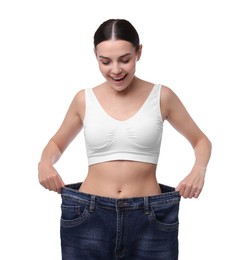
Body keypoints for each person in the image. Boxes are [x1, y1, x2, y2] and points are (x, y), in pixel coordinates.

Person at [38, 18, 212, 260]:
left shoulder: (162, 96)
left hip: (150, 218)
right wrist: (45, 163)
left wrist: (198, 170)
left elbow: (201, 140)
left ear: (139, 52)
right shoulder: (84, 99)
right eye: (105, 61)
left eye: (125, 59)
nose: (116, 70)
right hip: (88, 215)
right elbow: (56, 144)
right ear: (95, 56)